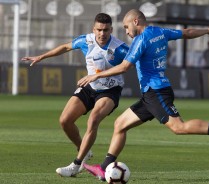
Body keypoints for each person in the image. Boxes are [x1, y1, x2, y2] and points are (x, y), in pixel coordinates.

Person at [77, 9, 209, 181]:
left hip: (156, 92)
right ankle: (104, 168)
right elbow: (187, 32)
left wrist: (96, 75)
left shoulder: (140, 40)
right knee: (120, 124)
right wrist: (208, 30)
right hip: (151, 94)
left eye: (126, 27)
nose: (126, 31)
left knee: (179, 127)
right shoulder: (160, 32)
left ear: (135, 22)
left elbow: (125, 67)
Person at [21, 13, 129, 177]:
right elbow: (65, 47)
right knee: (65, 120)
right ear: (94, 29)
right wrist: (41, 56)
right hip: (89, 86)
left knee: (93, 119)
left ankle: (76, 165)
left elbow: (131, 64)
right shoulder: (86, 41)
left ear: (111, 30)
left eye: (106, 30)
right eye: (99, 30)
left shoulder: (120, 48)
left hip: (110, 90)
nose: (102, 33)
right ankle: (84, 151)